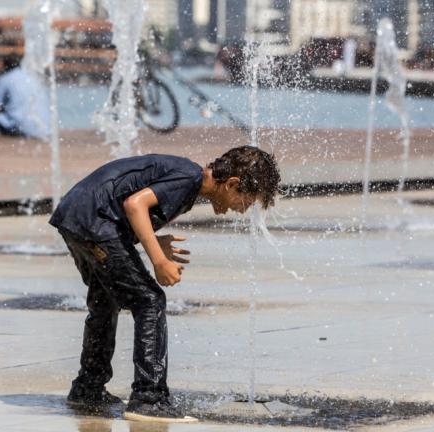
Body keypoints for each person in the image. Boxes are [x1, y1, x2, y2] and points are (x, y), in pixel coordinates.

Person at [49, 146, 281, 422]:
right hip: (93, 221)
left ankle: (88, 388)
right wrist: (158, 260)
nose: (242, 211)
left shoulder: (188, 179)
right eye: (248, 201)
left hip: (78, 216)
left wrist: (154, 242)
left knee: (105, 301)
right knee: (149, 300)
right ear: (232, 184)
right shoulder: (189, 179)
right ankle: (149, 398)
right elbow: (135, 205)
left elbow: (127, 206)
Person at [0, 54, 51, 139]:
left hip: (21, 128)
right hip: (44, 127)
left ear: (5, 65)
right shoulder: (33, 78)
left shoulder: (4, 79)